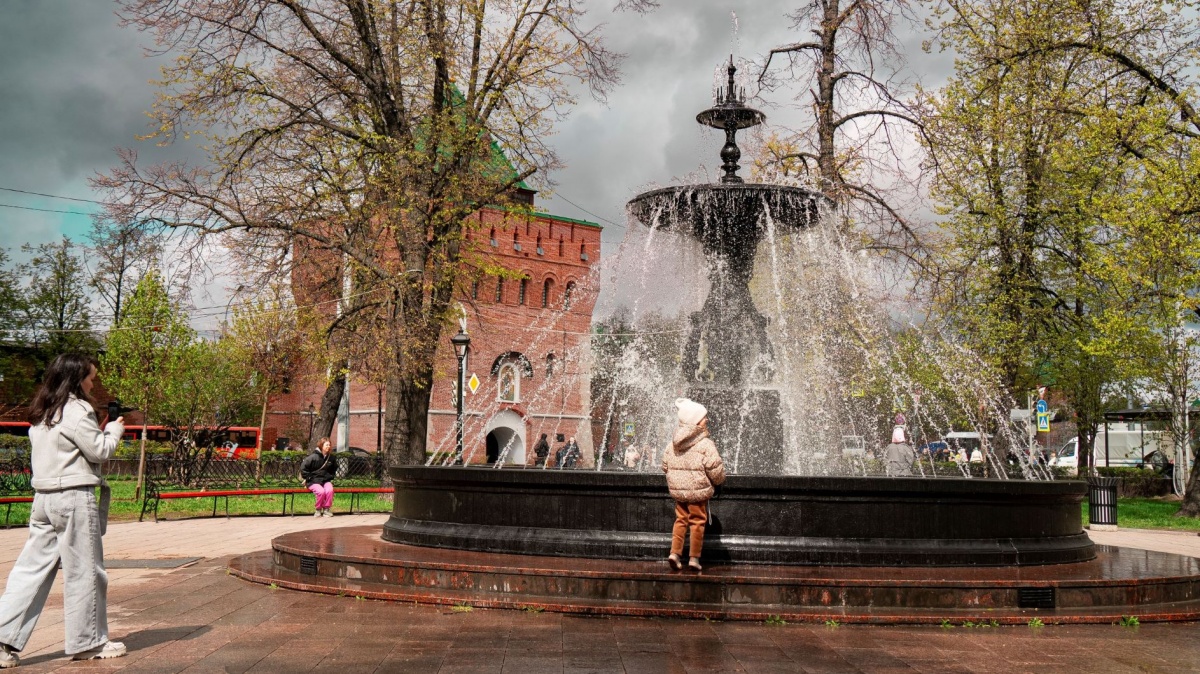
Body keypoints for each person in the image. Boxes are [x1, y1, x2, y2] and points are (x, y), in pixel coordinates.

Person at [0, 354, 127, 667]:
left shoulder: (43, 411)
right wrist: (114, 431)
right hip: (73, 497)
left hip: (43, 499)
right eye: (90, 377)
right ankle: (88, 642)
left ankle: (2, 639)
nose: (93, 383)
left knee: (30, 571)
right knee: (85, 571)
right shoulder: (78, 409)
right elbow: (98, 451)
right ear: (76, 378)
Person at [661, 398, 726, 572]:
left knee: (680, 520)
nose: (707, 420)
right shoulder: (705, 444)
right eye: (704, 417)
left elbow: (665, 465)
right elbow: (715, 469)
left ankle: (674, 554)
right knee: (697, 522)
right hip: (698, 492)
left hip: (679, 492)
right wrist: (719, 482)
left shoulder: (672, 444)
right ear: (696, 422)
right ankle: (694, 558)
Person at [301, 438, 337, 517]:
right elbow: (303, 468)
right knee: (321, 492)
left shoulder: (331, 458)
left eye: (329, 445)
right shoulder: (313, 457)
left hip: (325, 480)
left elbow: (334, 468)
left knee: (330, 490)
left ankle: (326, 509)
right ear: (321, 445)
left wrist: (330, 476)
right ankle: (318, 509)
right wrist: (309, 477)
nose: (328, 446)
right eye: (326, 445)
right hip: (313, 481)